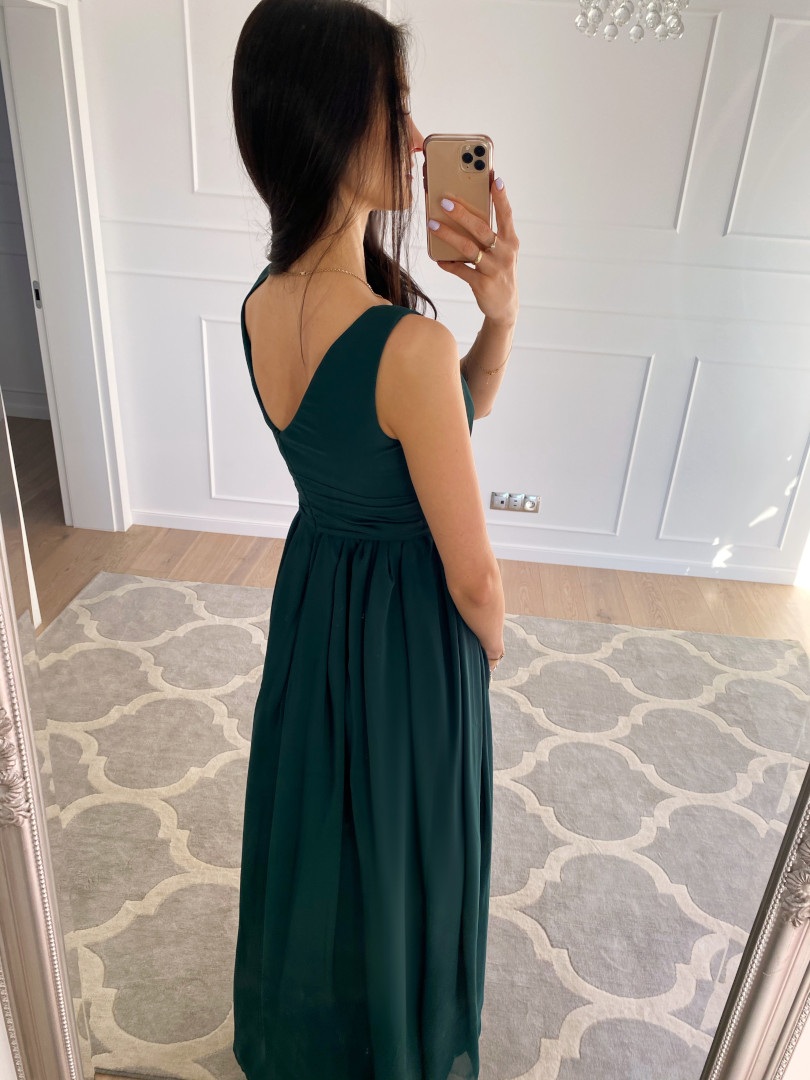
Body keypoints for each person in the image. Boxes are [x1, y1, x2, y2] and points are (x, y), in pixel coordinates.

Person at [230, 1, 518, 1077]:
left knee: (326, 827)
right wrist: (490, 641)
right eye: (394, 105)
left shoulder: (260, 306)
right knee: (411, 838)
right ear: (329, 118)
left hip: (317, 601)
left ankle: (316, 1035)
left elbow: (451, 416)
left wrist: (498, 316)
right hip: (406, 627)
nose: (415, 134)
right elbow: (473, 572)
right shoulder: (406, 346)